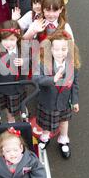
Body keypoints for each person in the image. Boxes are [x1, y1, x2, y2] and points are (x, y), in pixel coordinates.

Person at [33, 31, 81, 159]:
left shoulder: (72, 65)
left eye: (64, 49)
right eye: (56, 49)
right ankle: (45, 136)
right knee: (46, 122)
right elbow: (35, 79)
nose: (60, 52)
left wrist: (75, 101)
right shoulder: (43, 64)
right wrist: (52, 79)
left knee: (64, 121)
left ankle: (63, 139)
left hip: (64, 101)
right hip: (48, 100)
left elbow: (75, 84)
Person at [0, 20, 28, 124]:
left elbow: (33, 62)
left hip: (20, 86)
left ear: (18, 37)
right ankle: (11, 122)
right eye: (5, 40)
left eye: (12, 39)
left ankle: (25, 120)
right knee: (9, 109)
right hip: (4, 88)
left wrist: (24, 62)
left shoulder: (24, 49)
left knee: (23, 105)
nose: (8, 43)